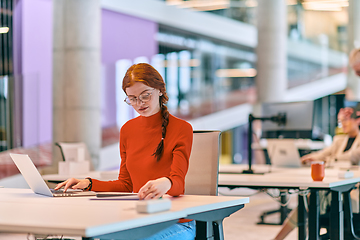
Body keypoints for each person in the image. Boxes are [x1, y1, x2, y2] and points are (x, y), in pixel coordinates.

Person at [54, 63, 195, 240]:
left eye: (145, 95)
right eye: (132, 98)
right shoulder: (128, 130)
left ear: (160, 90)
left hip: (177, 222)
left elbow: (178, 185)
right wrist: (88, 183)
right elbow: (126, 185)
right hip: (139, 220)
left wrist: (166, 183)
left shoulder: (182, 128)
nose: (139, 103)